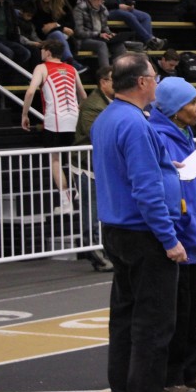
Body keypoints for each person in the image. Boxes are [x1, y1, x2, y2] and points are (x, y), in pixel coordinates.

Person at [90, 52, 188, 392]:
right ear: (144, 82)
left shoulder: (108, 118)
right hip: (143, 232)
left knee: (125, 317)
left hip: (117, 229)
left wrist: (165, 166)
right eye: (154, 77)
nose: (157, 83)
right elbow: (145, 189)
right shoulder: (135, 123)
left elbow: (126, 169)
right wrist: (169, 239)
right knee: (153, 321)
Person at [148, 77, 196, 392]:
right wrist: (185, 232)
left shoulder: (184, 134)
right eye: (192, 103)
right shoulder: (161, 138)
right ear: (175, 109)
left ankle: (192, 370)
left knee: (192, 311)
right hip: (178, 237)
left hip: (192, 236)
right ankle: (171, 376)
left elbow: (192, 189)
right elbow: (173, 194)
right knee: (175, 313)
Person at [21, 40, 87, 215]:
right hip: (74, 118)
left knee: (55, 159)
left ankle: (66, 203)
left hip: (55, 120)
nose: (41, 52)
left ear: (48, 52)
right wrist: (76, 110)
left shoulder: (41, 68)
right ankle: (79, 193)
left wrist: (25, 114)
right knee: (74, 159)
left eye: (42, 49)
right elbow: (83, 96)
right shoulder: (71, 69)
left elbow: (30, 91)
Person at [75, 65, 115, 271]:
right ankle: (95, 253)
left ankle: (106, 251)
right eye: (114, 80)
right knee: (91, 212)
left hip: (105, 165)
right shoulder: (92, 105)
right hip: (87, 165)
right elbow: (96, 133)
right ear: (103, 82)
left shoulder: (113, 102)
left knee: (104, 211)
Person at [33, 0, 86, 73]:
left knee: (59, 34)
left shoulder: (62, 3)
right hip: (45, 37)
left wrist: (56, 25)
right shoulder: (37, 4)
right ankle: (71, 63)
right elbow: (42, 29)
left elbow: (71, 25)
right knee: (57, 34)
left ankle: (69, 64)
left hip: (63, 36)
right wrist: (62, 28)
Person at [74, 0, 125, 69]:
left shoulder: (102, 9)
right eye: (97, 0)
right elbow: (79, 32)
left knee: (118, 45)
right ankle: (106, 72)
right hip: (84, 39)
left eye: (101, 0)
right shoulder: (79, 9)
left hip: (99, 37)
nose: (99, 3)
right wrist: (98, 34)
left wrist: (109, 34)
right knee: (101, 45)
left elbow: (104, 27)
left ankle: (120, 71)